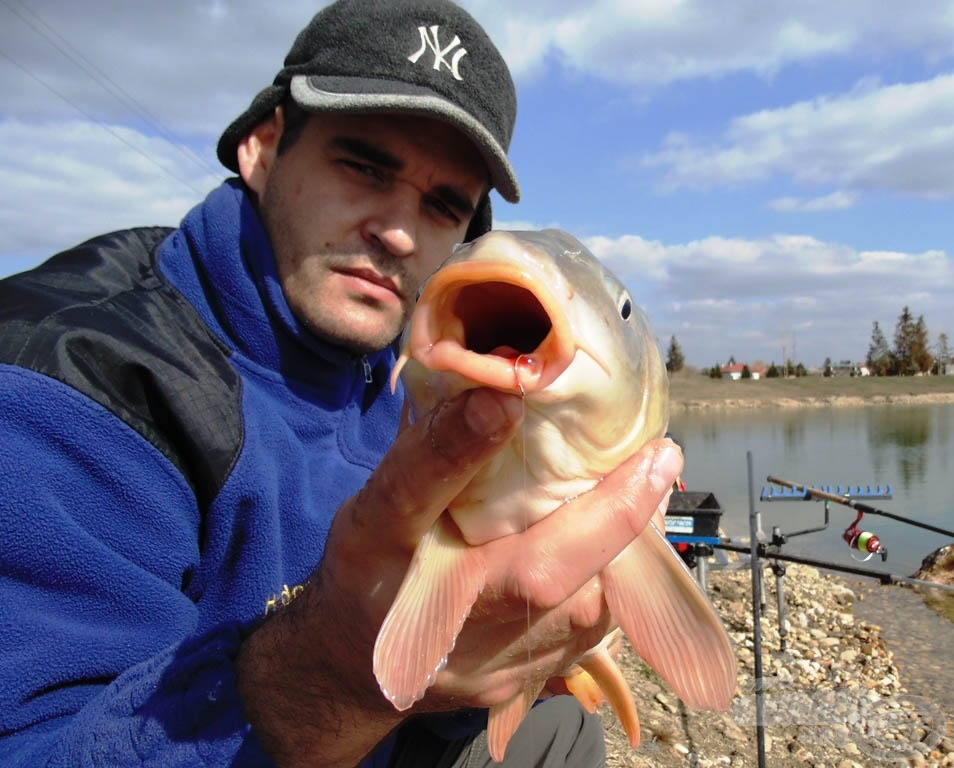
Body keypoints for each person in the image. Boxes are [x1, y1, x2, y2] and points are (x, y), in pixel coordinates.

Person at [0, 0, 682, 766]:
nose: (396, 231)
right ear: (261, 149)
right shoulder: (67, 382)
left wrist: (480, 674)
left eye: (443, 205)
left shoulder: (420, 369)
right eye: (363, 165)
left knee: (559, 730)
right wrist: (332, 674)